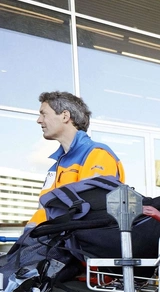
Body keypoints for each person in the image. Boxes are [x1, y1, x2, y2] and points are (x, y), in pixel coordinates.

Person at [30, 91, 125, 229]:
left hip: (78, 245)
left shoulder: (98, 154)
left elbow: (92, 209)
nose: (39, 120)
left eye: (44, 114)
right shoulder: (55, 167)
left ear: (65, 116)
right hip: (51, 240)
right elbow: (44, 210)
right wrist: (28, 235)